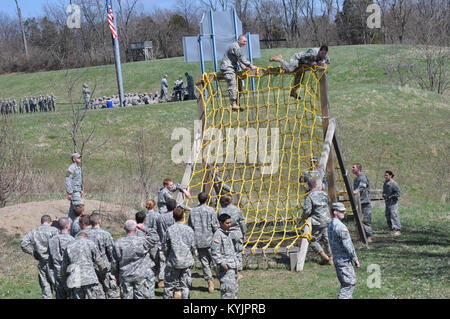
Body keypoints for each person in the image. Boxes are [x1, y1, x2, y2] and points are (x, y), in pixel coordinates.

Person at [113, 220, 158, 299]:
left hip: (125, 275)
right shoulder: (142, 241)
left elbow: (114, 263)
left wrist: (116, 276)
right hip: (141, 275)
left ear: (124, 228)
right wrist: (144, 228)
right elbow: (155, 237)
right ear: (136, 229)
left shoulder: (118, 243)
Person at [81, 212, 120, 299]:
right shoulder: (105, 234)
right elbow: (111, 253)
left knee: (97, 295)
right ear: (99, 221)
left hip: (90, 269)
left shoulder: (83, 234)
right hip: (105, 268)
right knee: (113, 293)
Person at [188, 192, 219, 293]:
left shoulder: (193, 212)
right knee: (216, 261)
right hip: (210, 239)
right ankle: (221, 280)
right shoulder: (210, 210)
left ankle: (209, 281)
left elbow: (190, 227)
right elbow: (215, 226)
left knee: (205, 263)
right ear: (207, 200)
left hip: (198, 241)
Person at [20, 215, 59, 299]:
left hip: (41, 263)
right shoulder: (54, 231)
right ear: (51, 223)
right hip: (53, 263)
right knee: (58, 288)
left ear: (40, 222)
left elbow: (23, 244)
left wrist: (33, 253)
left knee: (46, 289)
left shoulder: (34, 232)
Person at [61, 232, 107, 299]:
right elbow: (99, 262)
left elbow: (64, 266)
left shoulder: (69, 246)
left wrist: (64, 278)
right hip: (90, 279)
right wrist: (103, 274)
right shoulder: (90, 243)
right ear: (86, 237)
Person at [328, 202, 360, 299]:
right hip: (344, 260)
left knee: (346, 284)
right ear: (335, 212)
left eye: (344, 211)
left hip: (337, 259)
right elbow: (348, 246)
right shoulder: (341, 227)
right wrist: (355, 259)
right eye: (341, 211)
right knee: (348, 284)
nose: (344, 213)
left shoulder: (330, 225)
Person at [162, 207, 196, 299]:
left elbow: (165, 247)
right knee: (185, 287)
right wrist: (191, 256)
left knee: (169, 287)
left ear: (173, 217)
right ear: (183, 216)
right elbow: (193, 247)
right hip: (186, 262)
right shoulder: (189, 230)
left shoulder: (169, 230)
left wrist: (168, 256)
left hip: (173, 261)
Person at [300, 178, 333, 265]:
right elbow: (329, 202)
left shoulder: (310, 197)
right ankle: (331, 258)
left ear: (309, 186)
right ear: (317, 185)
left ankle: (323, 256)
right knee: (327, 239)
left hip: (318, 221)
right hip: (328, 220)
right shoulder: (324, 194)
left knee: (312, 239)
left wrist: (303, 218)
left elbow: (307, 211)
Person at [220, 34, 257, 111]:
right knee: (233, 83)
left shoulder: (238, 47)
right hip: (228, 68)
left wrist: (244, 68)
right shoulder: (235, 47)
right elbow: (242, 58)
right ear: (239, 40)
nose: (245, 43)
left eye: (246, 42)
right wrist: (251, 66)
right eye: (244, 41)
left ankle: (236, 102)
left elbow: (238, 60)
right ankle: (233, 104)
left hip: (233, 68)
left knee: (239, 85)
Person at [211, 213, 239, 299]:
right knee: (227, 292)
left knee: (234, 291)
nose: (229, 225)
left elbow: (231, 250)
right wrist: (223, 264)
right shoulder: (218, 235)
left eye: (230, 222)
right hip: (226, 269)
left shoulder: (228, 233)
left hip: (233, 267)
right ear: (220, 223)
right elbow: (215, 252)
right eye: (227, 223)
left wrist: (236, 264)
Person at [217, 195, 246, 277]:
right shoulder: (237, 210)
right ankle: (238, 272)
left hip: (225, 234)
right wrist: (244, 233)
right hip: (236, 233)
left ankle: (228, 269)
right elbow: (242, 223)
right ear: (231, 201)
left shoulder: (221, 211)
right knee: (238, 252)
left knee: (226, 252)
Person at [48, 217, 75, 299]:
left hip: (57, 271)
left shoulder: (51, 240)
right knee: (72, 294)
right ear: (67, 226)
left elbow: (50, 259)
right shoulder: (72, 240)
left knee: (60, 295)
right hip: (69, 271)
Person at [155, 198, 177, 288]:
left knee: (163, 261)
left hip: (162, 241)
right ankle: (173, 278)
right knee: (174, 261)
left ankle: (161, 280)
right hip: (173, 242)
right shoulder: (175, 216)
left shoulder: (160, 217)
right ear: (175, 206)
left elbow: (157, 229)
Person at [352, 163, 373, 242]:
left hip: (365, 202)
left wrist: (356, 191)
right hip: (359, 202)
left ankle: (368, 237)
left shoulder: (362, 177)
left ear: (358, 169)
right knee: (358, 220)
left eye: (354, 167)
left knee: (366, 220)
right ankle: (361, 235)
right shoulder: (356, 179)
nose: (352, 169)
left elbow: (362, 186)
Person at [65, 152, 84, 221]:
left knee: (72, 211)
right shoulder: (71, 168)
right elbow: (67, 180)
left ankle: (69, 224)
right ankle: (78, 226)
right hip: (74, 192)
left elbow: (79, 180)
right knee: (78, 208)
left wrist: (81, 190)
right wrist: (69, 192)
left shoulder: (78, 168)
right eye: (78, 157)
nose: (80, 159)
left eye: (80, 157)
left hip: (78, 191)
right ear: (74, 159)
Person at [383, 170, 402, 236]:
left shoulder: (394, 183)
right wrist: (384, 196)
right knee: (387, 215)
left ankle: (397, 229)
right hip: (387, 203)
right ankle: (392, 229)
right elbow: (385, 191)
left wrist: (390, 197)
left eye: (387, 175)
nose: (385, 176)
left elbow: (398, 193)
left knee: (394, 215)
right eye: (385, 175)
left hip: (393, 203)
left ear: (390, 176)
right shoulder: (385, 183)